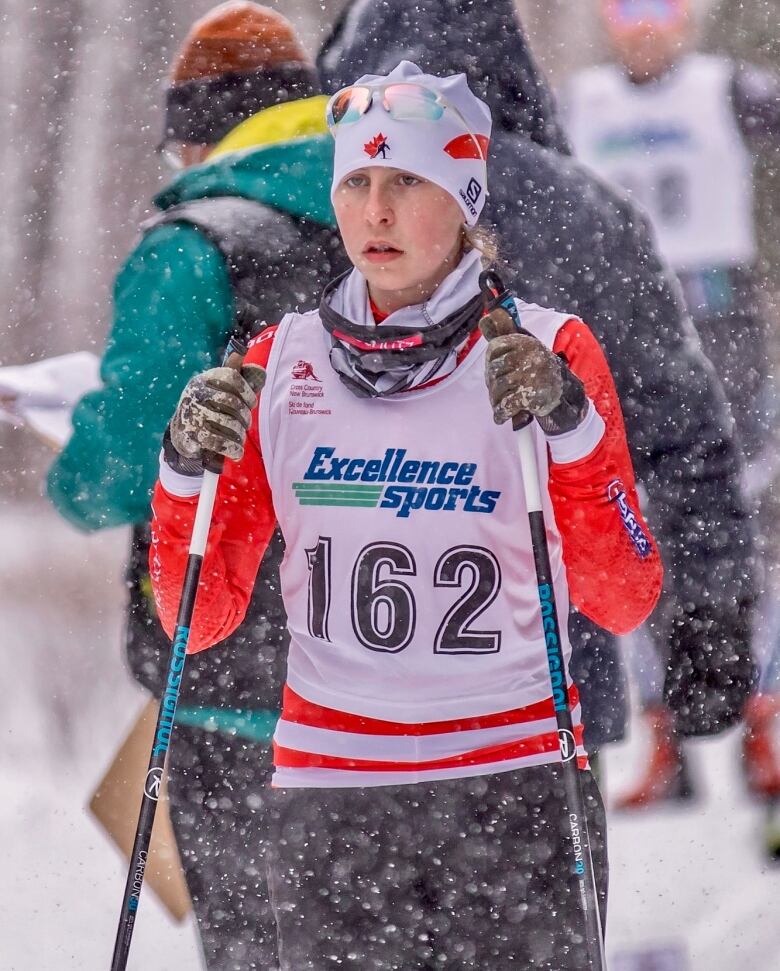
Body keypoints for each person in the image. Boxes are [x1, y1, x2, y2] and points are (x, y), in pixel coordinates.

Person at [150, 60, 663, 969]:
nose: (375, 211)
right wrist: (183, 469)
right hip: (332, 791)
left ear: (463, 200)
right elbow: (195, 617)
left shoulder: (546, 349)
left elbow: (624, 595)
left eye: (408, 181)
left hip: (511, 780)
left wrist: (572, 428)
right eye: (356, 180)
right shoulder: (279, 361)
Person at [316, 0, 757, 778]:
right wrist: (707, 618)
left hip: (347, 696)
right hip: (543, 686)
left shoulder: (325, 204)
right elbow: (681, 432)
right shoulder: (584, 211)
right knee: (537, 892)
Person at [45, 2, 346, 966]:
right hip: (388, 680)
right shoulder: (395, 223)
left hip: (234, 670)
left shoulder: (195, 246)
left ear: (196, 130)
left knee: (257, 942)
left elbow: (127, 465)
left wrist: (72, 456)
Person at [563, 0, 780, 808]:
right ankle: (667, 729)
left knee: (742, 520)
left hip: (721, 321)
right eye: (627, 9)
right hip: (624, 328)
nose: (645, 25)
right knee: (631, 523)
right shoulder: (583, 102)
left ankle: (760, 713)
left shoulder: (727, 87)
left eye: (661, 7)